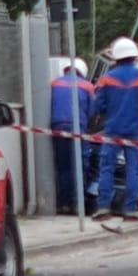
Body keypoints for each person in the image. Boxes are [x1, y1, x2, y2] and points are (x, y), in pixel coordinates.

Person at [93, 37, 138, 222]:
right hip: (134, 130)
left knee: (107, 168)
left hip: (112, 130)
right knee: (133, 169)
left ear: (115, 58)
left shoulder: (107, 79)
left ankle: (103, 207)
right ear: (135, 57)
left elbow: (97, 106)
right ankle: (131, 209)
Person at [49, 58, 94, 215]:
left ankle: (64, 204)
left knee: (63, 167)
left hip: (57, 127)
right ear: (82, 72)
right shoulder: (87, 86)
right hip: (77, 127)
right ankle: (78, 204)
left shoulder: (54, 84)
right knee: (80, 166)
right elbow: (92, 111)